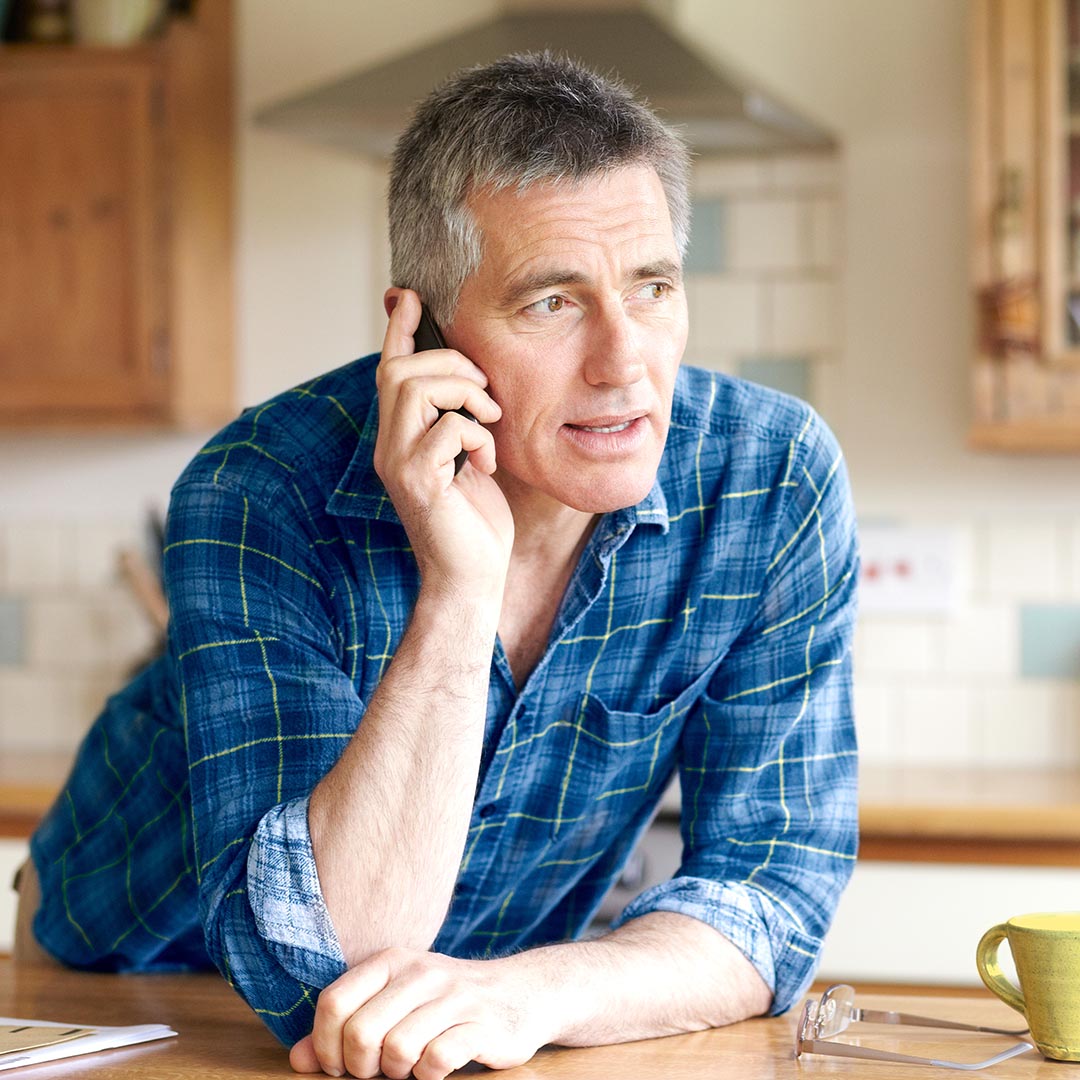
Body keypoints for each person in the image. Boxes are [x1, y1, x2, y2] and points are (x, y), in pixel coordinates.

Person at [20, 52, 859, 1080]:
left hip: (462, 1008)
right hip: (136, 992)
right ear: (421, 328)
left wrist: (531, 992)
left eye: (652, 287)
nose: (624, 361)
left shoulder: (769, 479)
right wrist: (459, 592)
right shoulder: (258, 491)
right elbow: (315, 972)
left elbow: (775, 891)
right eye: (553, 303)